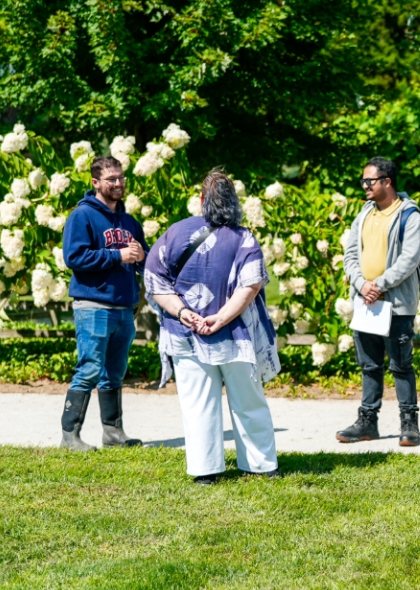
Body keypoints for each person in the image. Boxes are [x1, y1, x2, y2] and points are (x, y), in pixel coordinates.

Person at [145, 171, 280, 484]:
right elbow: (251, 284)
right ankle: (261, 465)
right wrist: (221, 318)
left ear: (202, 200)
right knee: (248, 403)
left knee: (198, 404)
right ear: (234, 202)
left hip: (186, 334)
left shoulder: (176, 232)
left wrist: (182, 313)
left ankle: (205, 471)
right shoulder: (243, 238)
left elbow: (154, 280)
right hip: (236, 335)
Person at [59, 156, 147, 451]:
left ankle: (113, 433)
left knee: (114, 373)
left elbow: (143, 260)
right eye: (111, 179)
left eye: (121, 177)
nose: (118, 183)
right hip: (93, 305)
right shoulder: (82, 216)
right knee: (89, 369)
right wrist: (117, 255)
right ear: (95, 182)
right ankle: (70, 437)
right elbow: (74, 257)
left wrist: (141, 256)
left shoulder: (129, 222)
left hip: (124, 308)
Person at [339, 157, 420, 446]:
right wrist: (362, 284)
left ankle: (409, 424)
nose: (364, 186)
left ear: (387, 182)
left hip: (396, 305)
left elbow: (409, 260)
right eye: (363, 181)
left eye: (370, 181)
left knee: (401, 365)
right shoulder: (364, 213)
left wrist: (378, 285)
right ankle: (367, 422)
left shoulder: (409, 216)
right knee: (369, 365)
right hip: (366, 302)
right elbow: (351, 254)